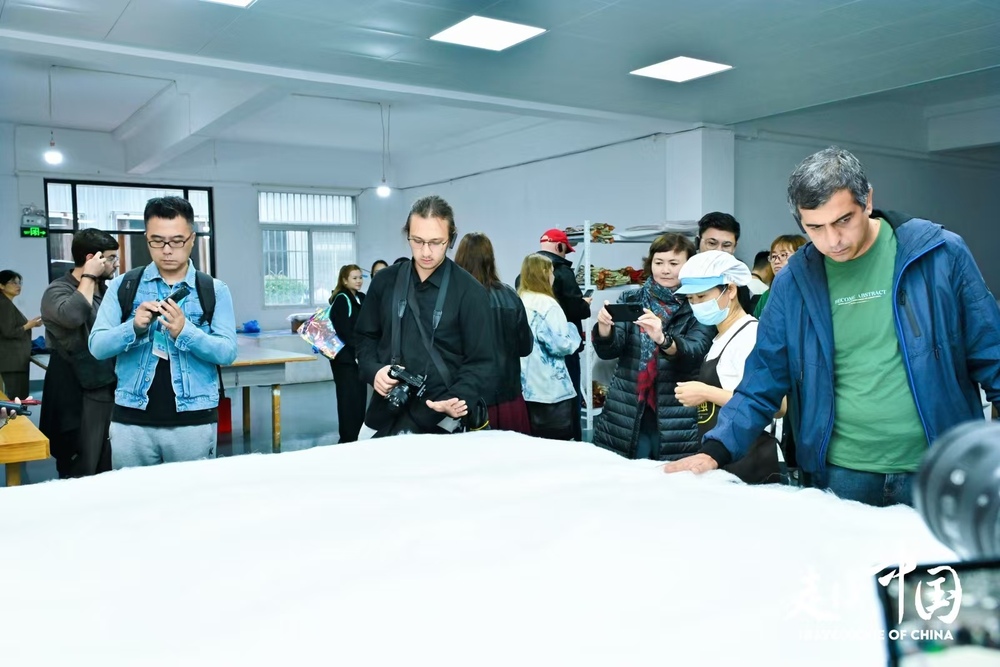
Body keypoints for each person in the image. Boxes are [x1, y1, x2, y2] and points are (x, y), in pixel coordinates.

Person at [665, 146, 1000, 507]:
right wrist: (716, 449)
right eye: (815, 228)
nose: (833, 240)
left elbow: (992, 354)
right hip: (842, 473)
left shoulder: (939, 254)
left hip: (941, 467)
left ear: (867, 201)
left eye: (843, 220)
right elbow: (764, 376)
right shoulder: (795, 281)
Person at [89, 196, 238, 469]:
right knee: (133, 496)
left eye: (177, 241)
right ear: (147, 238)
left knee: (191, 495)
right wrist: (133, 327)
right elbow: (97, 346)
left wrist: (186, 332)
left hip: (193, 422)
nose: (167, 250)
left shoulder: (213, 290)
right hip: (131, 422)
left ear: (192, 239)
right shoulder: (124, 286)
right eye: (157, 241)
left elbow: (227, 352)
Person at [355, 195, 494, 437]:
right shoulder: (384, 281)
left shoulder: (470, 292)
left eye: (436, 242)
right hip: (384, 411)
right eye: (417, 241)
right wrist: (374, 371)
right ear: (407, 234)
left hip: (440, 417)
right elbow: (365, 337)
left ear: (451, 239)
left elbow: (482, 361)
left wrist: (458, 397)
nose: (426, 252)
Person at [592, 234, 713, 460]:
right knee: (625, 474)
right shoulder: (631, 298)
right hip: (627, 406)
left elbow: (696, 353)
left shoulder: (698, 304)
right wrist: (604, 329)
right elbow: (609, 351)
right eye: (659, 262)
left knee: (671, 475)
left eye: (674, 263)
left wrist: (663, 339)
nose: (665, 270)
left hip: (676, 410)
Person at [672, 251, 785, 484]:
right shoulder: (719, 339)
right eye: (691, 299)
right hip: (723, 459)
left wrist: (705, 392)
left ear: (731, 290)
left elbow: (777, 406)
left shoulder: (750, 335)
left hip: (752, 460)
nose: (696, 305)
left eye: (702, 296)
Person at [39, 229, 120, 478]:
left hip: (105, 383)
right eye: (110, 258)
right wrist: (88, 275)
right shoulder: (57, 291)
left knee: (107, 462)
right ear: (91, 259)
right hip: (76, 391)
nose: (116, 264)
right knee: (81, 465)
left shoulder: (105, 291)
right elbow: (73, 316)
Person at [455, 232, 534, 434]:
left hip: (469, 400)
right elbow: (525, 347)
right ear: (490, 259)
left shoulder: (453, 299)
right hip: (509, 397)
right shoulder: (510, 296)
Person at [519, 228, 591, 440]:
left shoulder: (520, 295)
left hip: (527, 374)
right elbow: (561, 344)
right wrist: (576, 324)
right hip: (554, 374)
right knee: (563, 427)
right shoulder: (551, 300)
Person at [328, 263, 366, 443]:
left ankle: (357, 435)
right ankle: (347, 438)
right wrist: (358, 351)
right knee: (348, 399)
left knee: (358, 398)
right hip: (344, 360)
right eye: (354, 278)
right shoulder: (342, 299)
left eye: (361, 277)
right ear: (344, 280)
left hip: (356, 358)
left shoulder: (360, 297)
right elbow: (345, 331)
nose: (359, 281)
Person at [0, 270, 42, 400]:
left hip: (12, 360)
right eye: (13, 282)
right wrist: (29, 325)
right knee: (16, 399)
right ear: (1, 285)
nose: (18, 286)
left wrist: (31, 324)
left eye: (19, 283)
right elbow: (9, 332)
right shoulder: (4, 304)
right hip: (11, 362)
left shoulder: (6, 303)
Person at [753, 234, 807, 318]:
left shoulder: (809, 294)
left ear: (801, 257)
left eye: (783, 255)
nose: (776, 261)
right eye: (773, 256)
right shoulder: (767, 295)